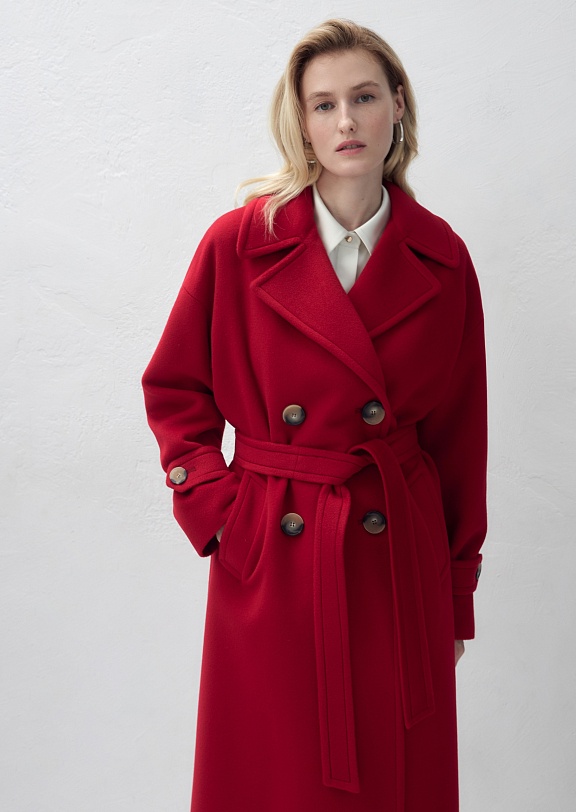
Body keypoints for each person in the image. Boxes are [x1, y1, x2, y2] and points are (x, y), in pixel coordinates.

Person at [142, 17, 487, 812]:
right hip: (275, 554)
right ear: (300, 122)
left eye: (362, 97)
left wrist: (454, 595)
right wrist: (222, 514)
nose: (345, 122)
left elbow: (458, 438)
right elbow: (176, 390)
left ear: (396, 105)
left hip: (395, 565)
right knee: (272, 776)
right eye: (323, 104)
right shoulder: (239, 244)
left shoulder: (441, 258)